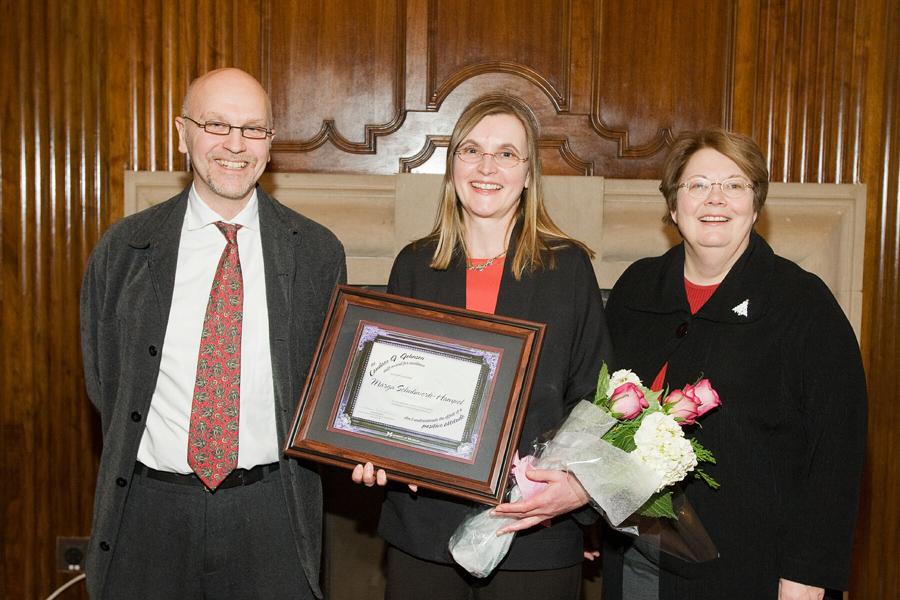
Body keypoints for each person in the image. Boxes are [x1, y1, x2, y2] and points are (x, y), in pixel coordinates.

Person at [79, 67, 346, 599]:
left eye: (253, 129)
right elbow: (102, 378)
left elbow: (333, 387)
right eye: (216, 124)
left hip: (271, 516)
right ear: (183, 133)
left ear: (270, 144)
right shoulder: (125, 249)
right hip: (149, 518)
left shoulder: (317, 253)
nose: (234, 144)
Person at [352, 94, 613, 599]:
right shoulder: (415, 264)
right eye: (470, 150)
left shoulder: (569, 269)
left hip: (533, 528)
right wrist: (370, 447)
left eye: (506, 153)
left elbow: (596, 399)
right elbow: (385, 388)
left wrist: (578, 493)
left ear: (529, 173)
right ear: (452, 168)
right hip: (423, 526)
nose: (487, 166)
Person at [601, 128, 867, 600]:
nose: (715, 198)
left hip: (756, 568)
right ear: (673, 205)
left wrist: (808, 576)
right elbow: (599, 412)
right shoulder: (636, 289)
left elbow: (836, 453)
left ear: (756, 204)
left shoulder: (803, 305)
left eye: (735, 184)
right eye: (697, 184)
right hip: (640, 560)